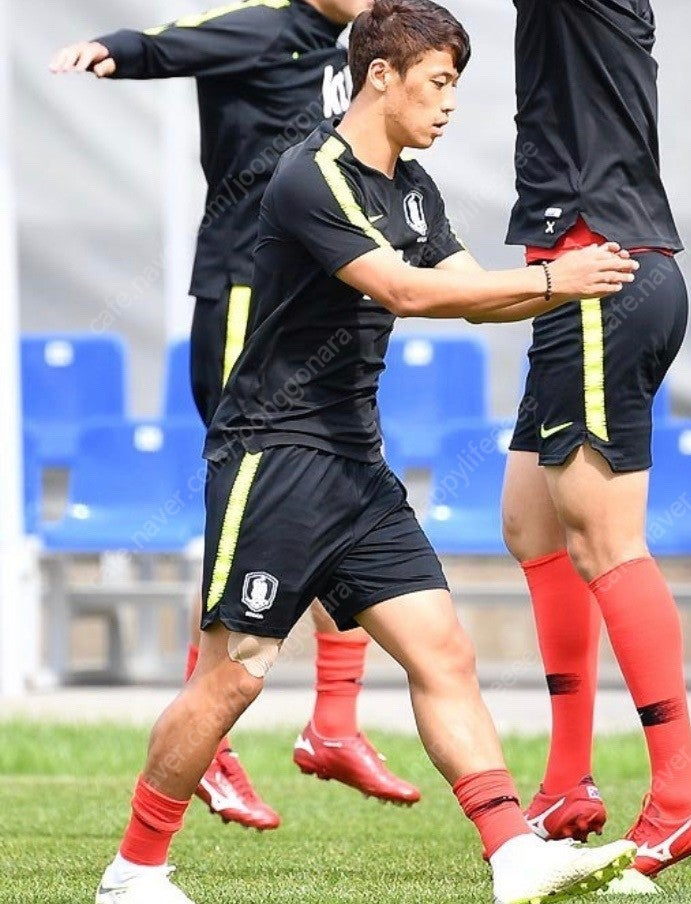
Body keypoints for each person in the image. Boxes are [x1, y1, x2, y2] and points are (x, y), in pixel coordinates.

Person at [92, 1, 642, 901]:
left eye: (457, 83)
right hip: (274, 460)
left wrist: (582, 284)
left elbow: (468, 296)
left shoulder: (414, 186)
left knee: (444, 654)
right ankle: (135, 869)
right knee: (237, 677)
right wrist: (553, 277)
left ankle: (513, 858)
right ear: (379, 74)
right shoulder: (311, 173)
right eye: (440, 81)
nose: (451, 102)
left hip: (356, 464)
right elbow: (402, 290)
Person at [49, 0, 422, 827]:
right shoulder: (257, 26)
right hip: (244, 295)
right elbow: (162, 46)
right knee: (248, 503)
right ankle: (209, 749)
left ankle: (332, 721)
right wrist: (106, 50)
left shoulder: (360, 53)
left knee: (337, 490)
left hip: (308, 303)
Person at [500, 0, 691, 879]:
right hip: (584, 277)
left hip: (602, 272)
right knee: (531, 522)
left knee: (607, 541)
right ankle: (567, 782)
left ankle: (681, 795)